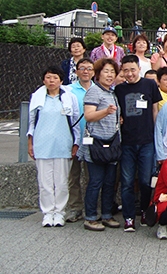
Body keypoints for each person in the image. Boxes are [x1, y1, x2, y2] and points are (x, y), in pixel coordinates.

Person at [27, 66, 80, 227]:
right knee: (45, 182)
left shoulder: (68, 97)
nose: (51, 81)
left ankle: (60, 212)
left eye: (55, 78)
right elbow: (31, 123)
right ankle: (48, 212)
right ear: (44, 80)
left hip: (63, 144)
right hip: (42, 145)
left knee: (62, 182)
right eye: (48, 78)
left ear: (61, 80)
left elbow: (75, 122)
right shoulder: (37, 98)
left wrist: (75, 143)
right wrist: (30, 143)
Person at [114, 55, 162, 232]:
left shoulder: (149, 85)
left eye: (132, 69)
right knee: (126, 181)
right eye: (125, 70)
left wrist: (155, 135)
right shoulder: (119, 89)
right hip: (127, 142)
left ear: (139, 68)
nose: (129, 73)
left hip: (146, 141)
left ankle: (143, 210)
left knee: (144, 180)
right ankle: (128, 217)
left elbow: (155, 111)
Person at [79, 58, 121, 231]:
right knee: (95, 181)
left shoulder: (111, 93)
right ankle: (90, 217)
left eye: (112, 71)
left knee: (110, 182)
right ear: (97, 74)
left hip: (111, 143)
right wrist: (106, 111)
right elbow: (88, 116)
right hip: (96, 143)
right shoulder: (93, 92)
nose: (110, 75)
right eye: (106, 71)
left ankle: (106, 215)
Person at [66, 57, 94, 223]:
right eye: (82, 68)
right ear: (76, 71)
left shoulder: (98, 89)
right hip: (74, 140)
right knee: (74, 176)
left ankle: (90, 208)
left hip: (93, 141)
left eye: (89, 68)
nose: (85, 71)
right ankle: (75, 208)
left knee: (92, 177)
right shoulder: (68, 91)